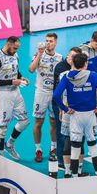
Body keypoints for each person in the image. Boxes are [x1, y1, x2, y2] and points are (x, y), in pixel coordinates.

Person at [53, 52, 97, 177]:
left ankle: (73, 176)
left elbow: (56, 95)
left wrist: (65, 108)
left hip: (75, 116)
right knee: (93, 146)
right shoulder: (93, 76)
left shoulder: (66, 77)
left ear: (73, 63)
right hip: (90, 115)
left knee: (75, 148)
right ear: (85, 64)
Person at [0, 36, 30, 160]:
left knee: (24, 122)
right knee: (2, 127)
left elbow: (15, 70)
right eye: (15, 48)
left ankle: (10, 144)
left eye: (17, 48)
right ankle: (0, 156)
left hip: (16, 92)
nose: (16, 50)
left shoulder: (15, 55)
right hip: (2, 95)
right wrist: (12, 81)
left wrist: (21, 77)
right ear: (8, 43)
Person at [52, 47, 88, 176]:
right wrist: (62, 109)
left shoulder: (72, 73)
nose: (71, 59)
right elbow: (58, 93)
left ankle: (70, 167)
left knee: (72, 137)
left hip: (68, 109)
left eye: (74, 57)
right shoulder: (62, 69)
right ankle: (64, 163)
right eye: (70, 56)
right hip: (67, 108)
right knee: (66, 136)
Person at [29, 32, 63, 163]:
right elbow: (31, 69)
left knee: (54, 122)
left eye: (51, 41)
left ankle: (53, 148)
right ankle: (38, 149)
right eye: (47, 41)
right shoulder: (38, 55)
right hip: (41, 93)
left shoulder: (60, 57)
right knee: (38, 122)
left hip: (54, 93)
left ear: (56, 42)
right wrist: (39, 54)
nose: (48, 43)